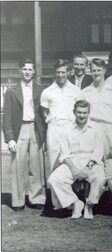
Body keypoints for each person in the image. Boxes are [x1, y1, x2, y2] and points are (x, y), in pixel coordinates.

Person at [48, 100, 106, 219]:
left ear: (89, 113)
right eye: (79, 112)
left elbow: (97, 153)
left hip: (91, 163)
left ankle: (89, 205)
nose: (82, 115)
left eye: (84, 113)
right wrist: (74, 169)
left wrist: (86, 168)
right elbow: (64, 154)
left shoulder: (97, 128)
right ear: (74, 112)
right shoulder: (66, 128)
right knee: (54, 179)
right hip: (72, 163)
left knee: (100, 178)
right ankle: (76, 203)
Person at [3, 59, 47, 211]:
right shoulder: (11, 91)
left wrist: (45, 135)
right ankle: (18, 201)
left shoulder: (41, 90)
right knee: (18, 166)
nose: (27, 72)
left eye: (30, 69)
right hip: (19, 129)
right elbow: (6, 115)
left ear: (34, 71)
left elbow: (44, 114)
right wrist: (10, 138)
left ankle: (37, 198)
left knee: (37, 165)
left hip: (35, 128)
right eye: (24, 69)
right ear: (20, 71)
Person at [41, 59, 82, 172]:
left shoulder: (76, 90)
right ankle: (54, 189)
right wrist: (51, 121)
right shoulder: (47, 92)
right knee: (54, 161)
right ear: (55, 73)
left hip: (71, 128)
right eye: (58, 72)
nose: (60, 75)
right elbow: (44, 111)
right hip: (54, 129)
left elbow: (80, 109)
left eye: (63, 72)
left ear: (68, 72)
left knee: (72, 161)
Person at [81, 58, 112, 159]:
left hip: (109, 130)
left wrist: (110, 126)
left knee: (110, 161)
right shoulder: (85, 92)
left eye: (99, 70)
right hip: (92, 130)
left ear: (104, 70)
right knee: (93, 160)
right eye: (94, 70)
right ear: (90, 72)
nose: (96, 73)